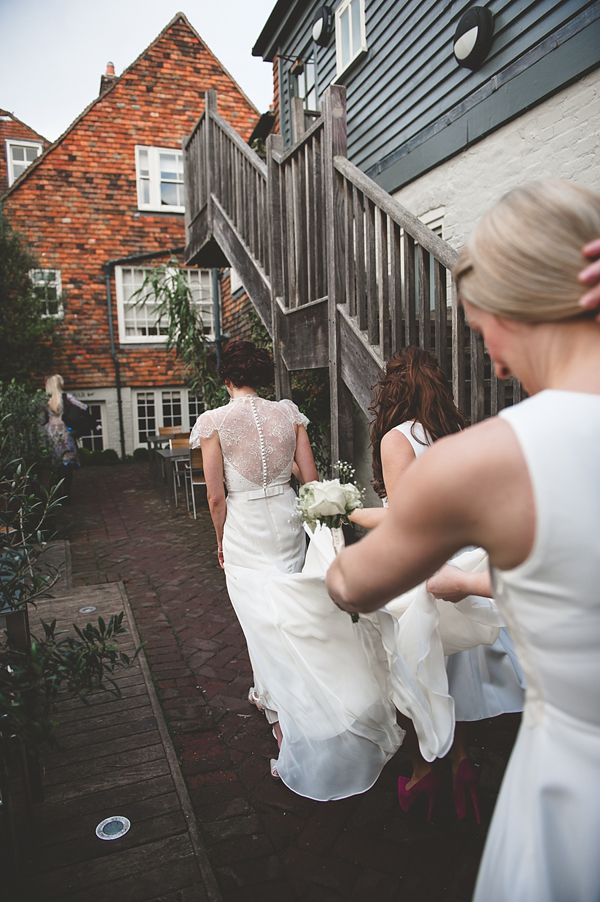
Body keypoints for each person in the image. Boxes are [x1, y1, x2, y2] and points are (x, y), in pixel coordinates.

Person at [327, 179, 600, 901]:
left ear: (519, 307)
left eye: (486, 331)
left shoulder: (486, 459)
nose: (498, 363)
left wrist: (339, 546)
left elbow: (351, 586)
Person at [190, 340, 403, 800]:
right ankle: (272, 693)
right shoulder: (289, 413)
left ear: (226, 377)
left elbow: (214, 497)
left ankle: (285, 729)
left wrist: (218, 539)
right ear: (262, 375)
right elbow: (310, 481)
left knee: (260, 621)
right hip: (287, 520)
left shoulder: (214, 422)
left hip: (245, 529)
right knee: (287, 612)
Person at [350, 347, 524, 823]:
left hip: (425, 570)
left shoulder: (396, 439)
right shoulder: (456, 435)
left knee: (411, 670)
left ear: (393, 389)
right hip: (461, 563)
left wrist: (353, 516)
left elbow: (408, 526)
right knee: (451, 671)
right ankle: (463, 765)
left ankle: (424, 770)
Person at [43, 374, 88, 504]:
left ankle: (57, 497)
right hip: (65, 433)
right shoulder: (66, 397)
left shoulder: (45, 400)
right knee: (66, 464)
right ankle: (67, 496)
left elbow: (41, 420)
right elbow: (83, 407)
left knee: (55, 466)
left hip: (51, 434)